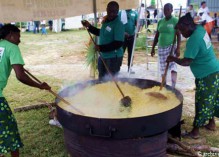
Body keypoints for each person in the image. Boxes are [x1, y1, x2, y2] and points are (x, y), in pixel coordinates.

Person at [0, 24, 51, 156]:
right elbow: (21, 76)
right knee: (10, 130)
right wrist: (39, 86)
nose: (20, 40)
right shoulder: (12, 47)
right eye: (18, 36)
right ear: (11, 34)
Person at [167, 13, 219, 139]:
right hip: (214, 70)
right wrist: (177, 28)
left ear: (189, 25)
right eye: (180, 31)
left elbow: (186, 61)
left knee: (202, 100)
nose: (183, 34)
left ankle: (195, 132)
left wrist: (173, 58)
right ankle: (211, 123)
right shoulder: (200, 29)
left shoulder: (194, 39)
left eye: (183, 30)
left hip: (206, 74)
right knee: (210, 97)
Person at [81, 1, 124, 80]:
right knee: (101, 79)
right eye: (109, 11)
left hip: (113, 58)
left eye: (114, 11)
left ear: (117, 11)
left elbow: (118, 43)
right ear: (106, 9)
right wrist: (89, 26)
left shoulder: (118, 24)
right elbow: (100, 33)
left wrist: (101, 48)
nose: (111, 13)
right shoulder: (106, 22)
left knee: (111, 81)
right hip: (103, 56)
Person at [151, 3, 181, 88]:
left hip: (171, 47)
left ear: (171, 10)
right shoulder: (161, 21)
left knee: (173, 67)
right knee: (163, 68)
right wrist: (153, 48)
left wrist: (178, 48)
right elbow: (157, 36)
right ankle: (163, 85)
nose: (166, 11)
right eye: (165, 9)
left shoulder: (175, 20)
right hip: (161, 48)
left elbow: (178, 35)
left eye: (168, 9)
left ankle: (173, 86)